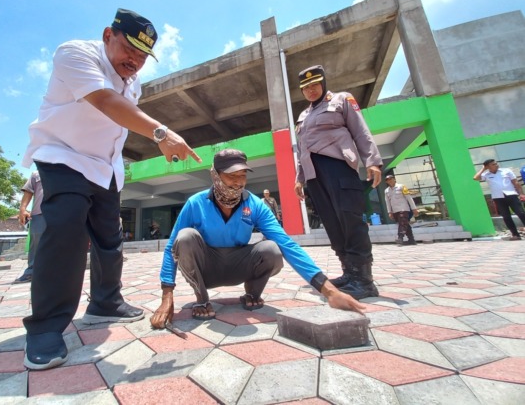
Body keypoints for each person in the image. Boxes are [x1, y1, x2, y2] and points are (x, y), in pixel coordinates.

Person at [20, 8, 201, 371]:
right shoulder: (75, 53)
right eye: (129, 48)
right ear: (107, 35)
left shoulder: (134, 82)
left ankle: (105, 302)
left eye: (143, 55)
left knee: (109, 236)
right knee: (67, 230)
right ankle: (46, 327)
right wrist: (161, 133)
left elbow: (121, 119)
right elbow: (105, 101)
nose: (134, 60)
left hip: (106, 166)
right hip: (64, 155)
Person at [150, 149, 365, 328]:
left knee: (271, 248)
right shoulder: (195, 203)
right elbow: (171, 248)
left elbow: (286, 244)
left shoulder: (255, 204)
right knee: (185, 237)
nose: (238, 182)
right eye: (231, 176)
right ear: (215, 175)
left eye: (243, 175)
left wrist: (328, 291)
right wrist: (167, 296)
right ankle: (202, 299)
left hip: (239, 266)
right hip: (206, 270)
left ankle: (252, 294)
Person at [294, 65, 382, 300]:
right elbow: (302, 150)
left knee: (350, 219)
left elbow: (361, 131)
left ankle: (364, 280)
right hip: (314, 175)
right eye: (305, 88)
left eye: (315, 84)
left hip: (338, 166)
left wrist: (373, 161)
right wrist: (299, 179)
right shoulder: (303, 116)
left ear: (323, 83)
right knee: (332, 223)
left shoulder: (342, 100)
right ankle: (349, 273)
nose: (311, 90)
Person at [474, 159, 525, 240]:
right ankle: (515, 235)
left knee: (521, 213)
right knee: (506, 217)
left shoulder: (506, 171)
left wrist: (521, 194)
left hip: (511, 195)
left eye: (496, 163)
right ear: (488, 166)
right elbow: (475, 178)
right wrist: (483, 168)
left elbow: (515, 182)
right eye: (493, 164)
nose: (496, 165)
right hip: (498, 198)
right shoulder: (486, 175)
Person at [14, 171, 45, 283]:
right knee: (36, 244)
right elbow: (28, 191)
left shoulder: (68, 168)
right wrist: (22, 209)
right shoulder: (37, 174)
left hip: (62, 213)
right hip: (39, 213)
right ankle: (31, 272)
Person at [384, 174, 419, 246]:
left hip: (403, 209)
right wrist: (389, 212)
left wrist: (414, 208)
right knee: (404, 224)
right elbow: (387, 202)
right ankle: (411, 240)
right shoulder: (386, 191)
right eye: (387, 180)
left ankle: (400, 238)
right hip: (395, 210)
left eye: (391, 179)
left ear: (394, 179)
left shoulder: (402, 187)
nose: (389, 181)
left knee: (402, 223)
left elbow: (409, 198)